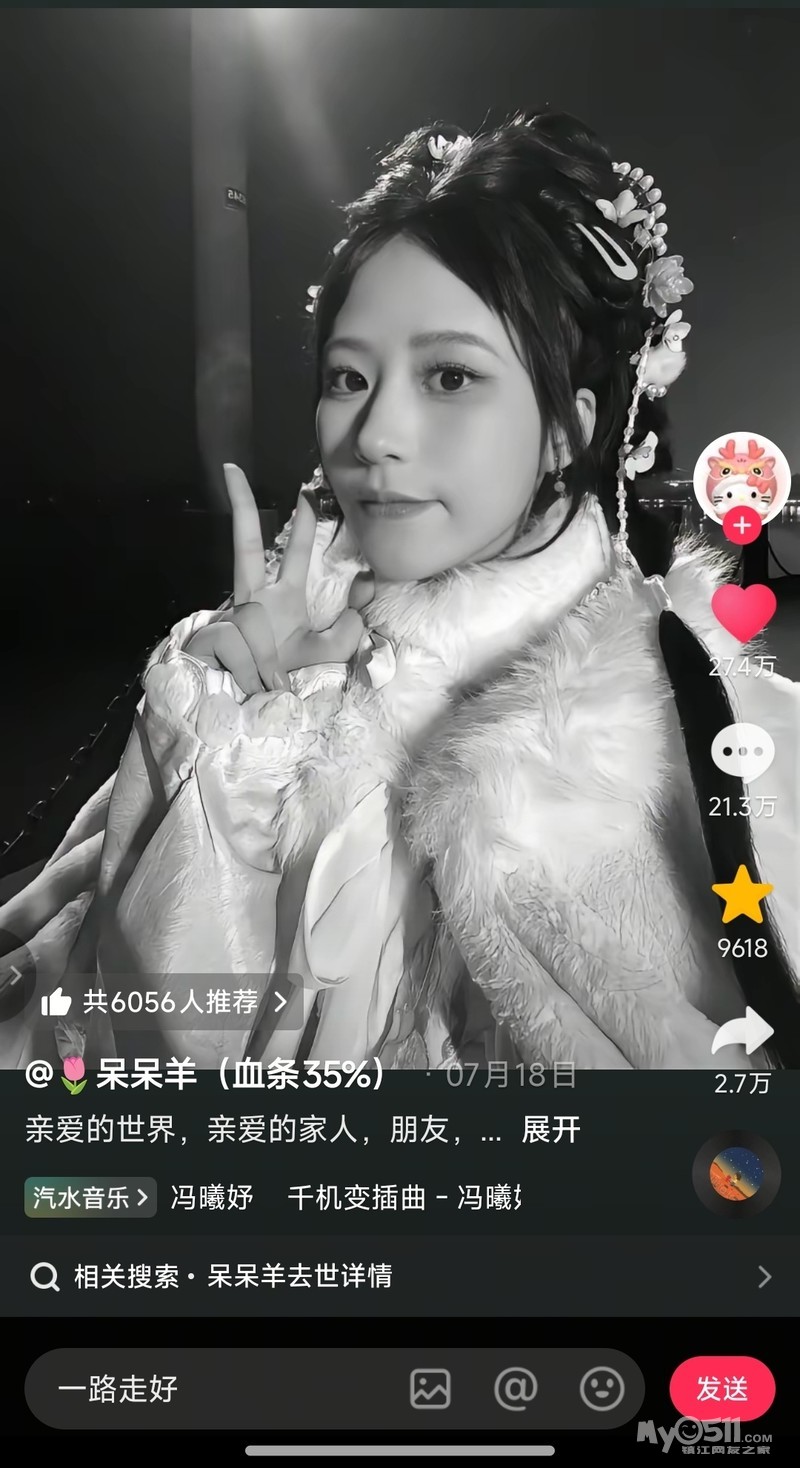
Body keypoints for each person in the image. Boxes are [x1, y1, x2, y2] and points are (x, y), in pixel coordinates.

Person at [1, 110, 799, 1072]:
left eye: (450, 375)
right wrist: (233, 747)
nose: (373, 434)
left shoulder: (729, 745)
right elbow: (135, 1057)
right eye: (348, 376)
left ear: (570, 428)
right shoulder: (252, 690)